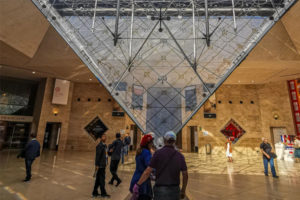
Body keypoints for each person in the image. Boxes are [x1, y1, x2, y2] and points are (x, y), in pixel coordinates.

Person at [133, 131, 188, 200]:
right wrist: (183, 190)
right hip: (175, 190)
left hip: (160, 190)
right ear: (175, 141)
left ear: (164, 140)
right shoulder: (180, 156)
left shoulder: (158, 154)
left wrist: (138, 184)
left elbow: (147, 171)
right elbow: (185, 174)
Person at [130, 134, 154, 200]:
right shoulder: (146, 152)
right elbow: (149, 166)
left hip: (136, 178)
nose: (152, 144)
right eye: (151, 142)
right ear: (148, 144)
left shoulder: (140, 151)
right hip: (143, 181)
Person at [92, 132, 110, 198]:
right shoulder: (99, 146)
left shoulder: (104, 145)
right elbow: (98, 156)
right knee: (102, 180)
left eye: (105, 136)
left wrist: (109, 152)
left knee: (98, 179)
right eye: (103, 136)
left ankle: (94, 192)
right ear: (100, 138)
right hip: (100, 165)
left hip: (103, 164)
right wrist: (97, 165)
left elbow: (105, 154)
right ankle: (103, 193)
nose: (105, 138)